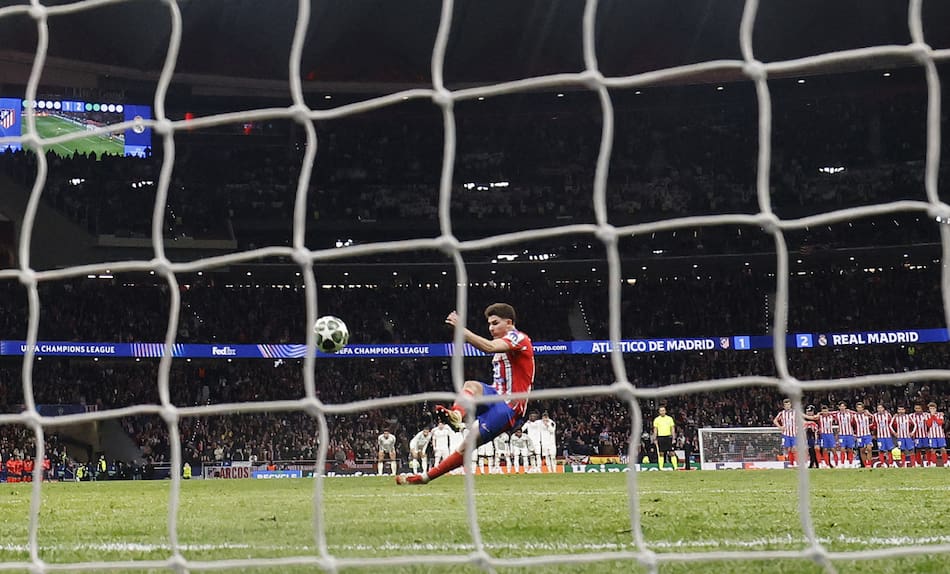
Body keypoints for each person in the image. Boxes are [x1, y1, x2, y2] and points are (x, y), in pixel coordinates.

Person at [397, 303, 535, 485]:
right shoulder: (507, 344)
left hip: (509, 406)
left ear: (509, 322)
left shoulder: (519, 338)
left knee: (466, 446)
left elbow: (489, 347)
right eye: (489, 324)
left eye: (495, 323)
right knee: (471, 385)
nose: (491, 328)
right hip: (495, 395)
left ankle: (425, 477)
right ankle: (456, 415)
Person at [772, 398, 798, 467]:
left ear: (790, 405)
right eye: (786, 405)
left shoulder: (795, 412)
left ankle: (796, 463)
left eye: (788, 405)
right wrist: (780, 427)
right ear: (784, 406)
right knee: (788, 449)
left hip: (794, 434)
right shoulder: (782, 413)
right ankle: (791, 463)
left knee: (794, 448)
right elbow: (775, 420)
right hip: (786, 434)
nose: (787, 406)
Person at [834, 402, 858, 468]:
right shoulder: (837, 414)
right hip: (842, 434)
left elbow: (857, 413)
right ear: (839, 407)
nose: (842, 408)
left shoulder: (850, 414)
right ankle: (842, 463)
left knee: (850, 449)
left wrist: (854, 434)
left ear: (845, 407)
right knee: (842, 449)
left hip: (850, 434)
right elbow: (828, 413)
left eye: (843, 406)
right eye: (840, 406)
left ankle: (850, 463)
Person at [652, 406, 676, 470]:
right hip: (660, 437)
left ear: (665, 411)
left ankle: (675, 467)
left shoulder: (669, 419)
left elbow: (672, 429)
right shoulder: (656, 419)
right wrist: (654, 438)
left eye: (663, 410)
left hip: (668, 437)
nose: (662, 412)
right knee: (661, 453)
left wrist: (674, 438)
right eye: (661, 411)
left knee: (671, 452)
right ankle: (661, 467)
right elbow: (655, 430)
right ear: (659, 412)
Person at [872, 403, 896, 468]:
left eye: (881, 408)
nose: (879, 409)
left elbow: (891, 424)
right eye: (878, 408)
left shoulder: (888, 415)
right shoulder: (875, 416)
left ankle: (891, 463)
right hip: (880, 436)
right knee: (881, 450)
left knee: (890, 450)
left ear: (883, 408)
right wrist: (874, 434)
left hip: (888, 435)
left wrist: (893, 432)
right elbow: (874, 426)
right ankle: (882, 464)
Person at [925, 402, 947, 468]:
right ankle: (933, 463)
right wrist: (932, 416)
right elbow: (929, 424)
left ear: (935, 408)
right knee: (932, 449)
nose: (932, 410)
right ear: (929, 409)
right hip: (932, 435)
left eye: (933, 408)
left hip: (940, 435)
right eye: (930, 408)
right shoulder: (927, 415)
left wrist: (934, 416)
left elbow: (940, 423)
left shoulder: (940, 415)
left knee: (943, 449)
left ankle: (946, 463)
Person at [853, 402, 874, 468]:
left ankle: (869, 464)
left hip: (867, 434)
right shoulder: (854, 416)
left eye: (861, 407)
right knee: (862, 450)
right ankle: (865, 465)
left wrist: (870, 414)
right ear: (856, 408)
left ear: (863, 408)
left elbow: (874, 420)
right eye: (858, 408)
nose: (859, 409)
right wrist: (854, 434)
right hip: (859, 435)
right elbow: (852, 425)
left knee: (869, 448)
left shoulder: (866, 414)